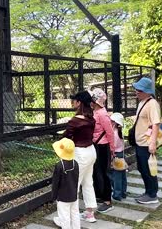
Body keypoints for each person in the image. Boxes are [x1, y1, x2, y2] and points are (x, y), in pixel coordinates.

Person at [63, 91, 97, 223]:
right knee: (88, 183)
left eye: (75, 100)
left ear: (79, 103)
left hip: (80, 153)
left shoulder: (75, 121)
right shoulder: (91, 118)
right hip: (91, 151)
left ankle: (71, 218)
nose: (73, 103)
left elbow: (66, 137)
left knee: (74, 185)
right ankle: (90, 214)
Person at [132, 77, 161, 204]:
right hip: (140, 142)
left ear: (147, 91)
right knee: (142, 168)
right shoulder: (142, 102)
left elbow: (156, 123)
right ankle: (148, 191)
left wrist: (153, 143)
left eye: (140, 89)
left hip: (147, 143)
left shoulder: (152, 104)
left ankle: (152, 194)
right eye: (136, 89)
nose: (137, 91)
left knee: (148, 169)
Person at [90, 88, 115, 213]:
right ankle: (99, 194)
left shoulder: (102, 114)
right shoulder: (95, 112)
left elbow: (110, 132)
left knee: (104, 173)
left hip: (103, 146)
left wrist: (112, 149)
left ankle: (107, 201)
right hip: (96, 144)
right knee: (96, 171)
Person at [51, 138, 81, 229]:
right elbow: (76, 179)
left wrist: (54, 196)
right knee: (75, 214)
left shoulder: (59, 166)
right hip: (74, 195)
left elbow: (55, 183)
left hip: (62, 197)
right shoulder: (75, 163)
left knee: (64, 217)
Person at [109, 112, 127, 201]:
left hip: (115, 155)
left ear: (115, 123)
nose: (110, 122)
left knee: (116, 177)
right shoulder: (120, 132)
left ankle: (117, 194)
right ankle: (123, 192)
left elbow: (113, 147)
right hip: (121, 155)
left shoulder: (114, 134)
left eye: (111, 121)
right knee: (122, 175)